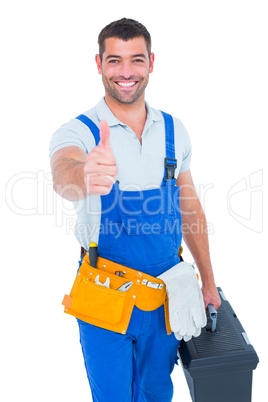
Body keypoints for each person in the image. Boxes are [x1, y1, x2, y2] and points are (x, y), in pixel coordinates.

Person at [49, 18, 221, 402]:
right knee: (112, 396)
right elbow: (64, 174)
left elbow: (189, 209)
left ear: (151, 63)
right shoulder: (78, 131)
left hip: (165, 296)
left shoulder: (174, 131)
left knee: (156, 392)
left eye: (136, 60)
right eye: (114, 61)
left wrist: (208, 282)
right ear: (99, 64)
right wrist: (84, 174)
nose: (125, 72)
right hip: (104, 294)